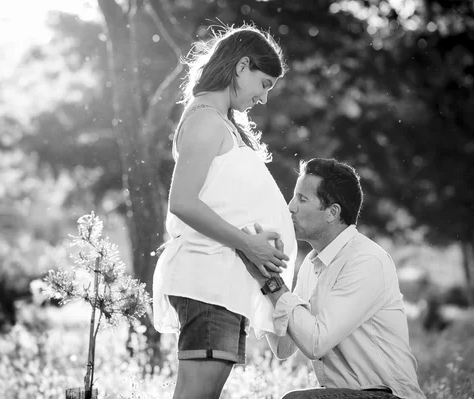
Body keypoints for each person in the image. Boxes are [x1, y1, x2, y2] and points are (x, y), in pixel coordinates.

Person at [152, 25, 297, 399]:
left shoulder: (221, 123)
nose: (264, 98)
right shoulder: (203, 120)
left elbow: (223, 202)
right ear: (241, 66)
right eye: (263, 84)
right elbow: (182, 202)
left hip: (223, 283)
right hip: (207, 281)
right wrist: (250, 245)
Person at [238, 158, 426, 399]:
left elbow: (316, 343)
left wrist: (273, 284)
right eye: (294, 197)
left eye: (302, 199)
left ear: (332, 212)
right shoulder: (311, 264)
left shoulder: (366, 261)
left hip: (389, 395)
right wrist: (264, 275)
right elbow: (284, 348)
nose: (290, 207)